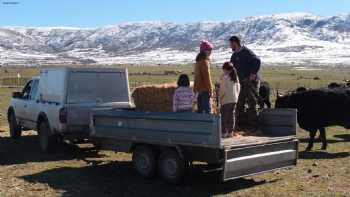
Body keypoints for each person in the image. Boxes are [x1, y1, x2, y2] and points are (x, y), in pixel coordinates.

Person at [229, 36, 261, 128]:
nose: (230, 46)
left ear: (235, 43)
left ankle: (254, 127)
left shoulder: (247, 52)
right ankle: (241, 126)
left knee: (252, 104)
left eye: (231, 44)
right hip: (239, 84)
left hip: (249, 83)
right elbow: (232, 69)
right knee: (239, 104)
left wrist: (253, 73)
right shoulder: (234, 55)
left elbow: (257, 61)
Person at [219, 62, 240, 138]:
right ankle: (230, 132)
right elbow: (238, 88)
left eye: (224, 70)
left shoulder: (225, 78)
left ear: (227, 70)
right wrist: (236, 96)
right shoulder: (235, 77)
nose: (223, 71)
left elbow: (222, 90)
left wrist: (220, 97)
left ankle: (224, 132)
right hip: (234, 99)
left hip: (226, 99)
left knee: (224, 116)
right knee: (231, 116)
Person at [194, 40, 213, 113]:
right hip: (205, 90)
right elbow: (207, 77)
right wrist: (210, 90)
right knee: (208, 111)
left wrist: (195, 89)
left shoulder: (198, 61)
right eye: (209, 50)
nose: (211, 52)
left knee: (200, 111)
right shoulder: (205, 62)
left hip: (199, 90)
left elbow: (197, 78)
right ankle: (209, 125)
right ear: (205, 51)